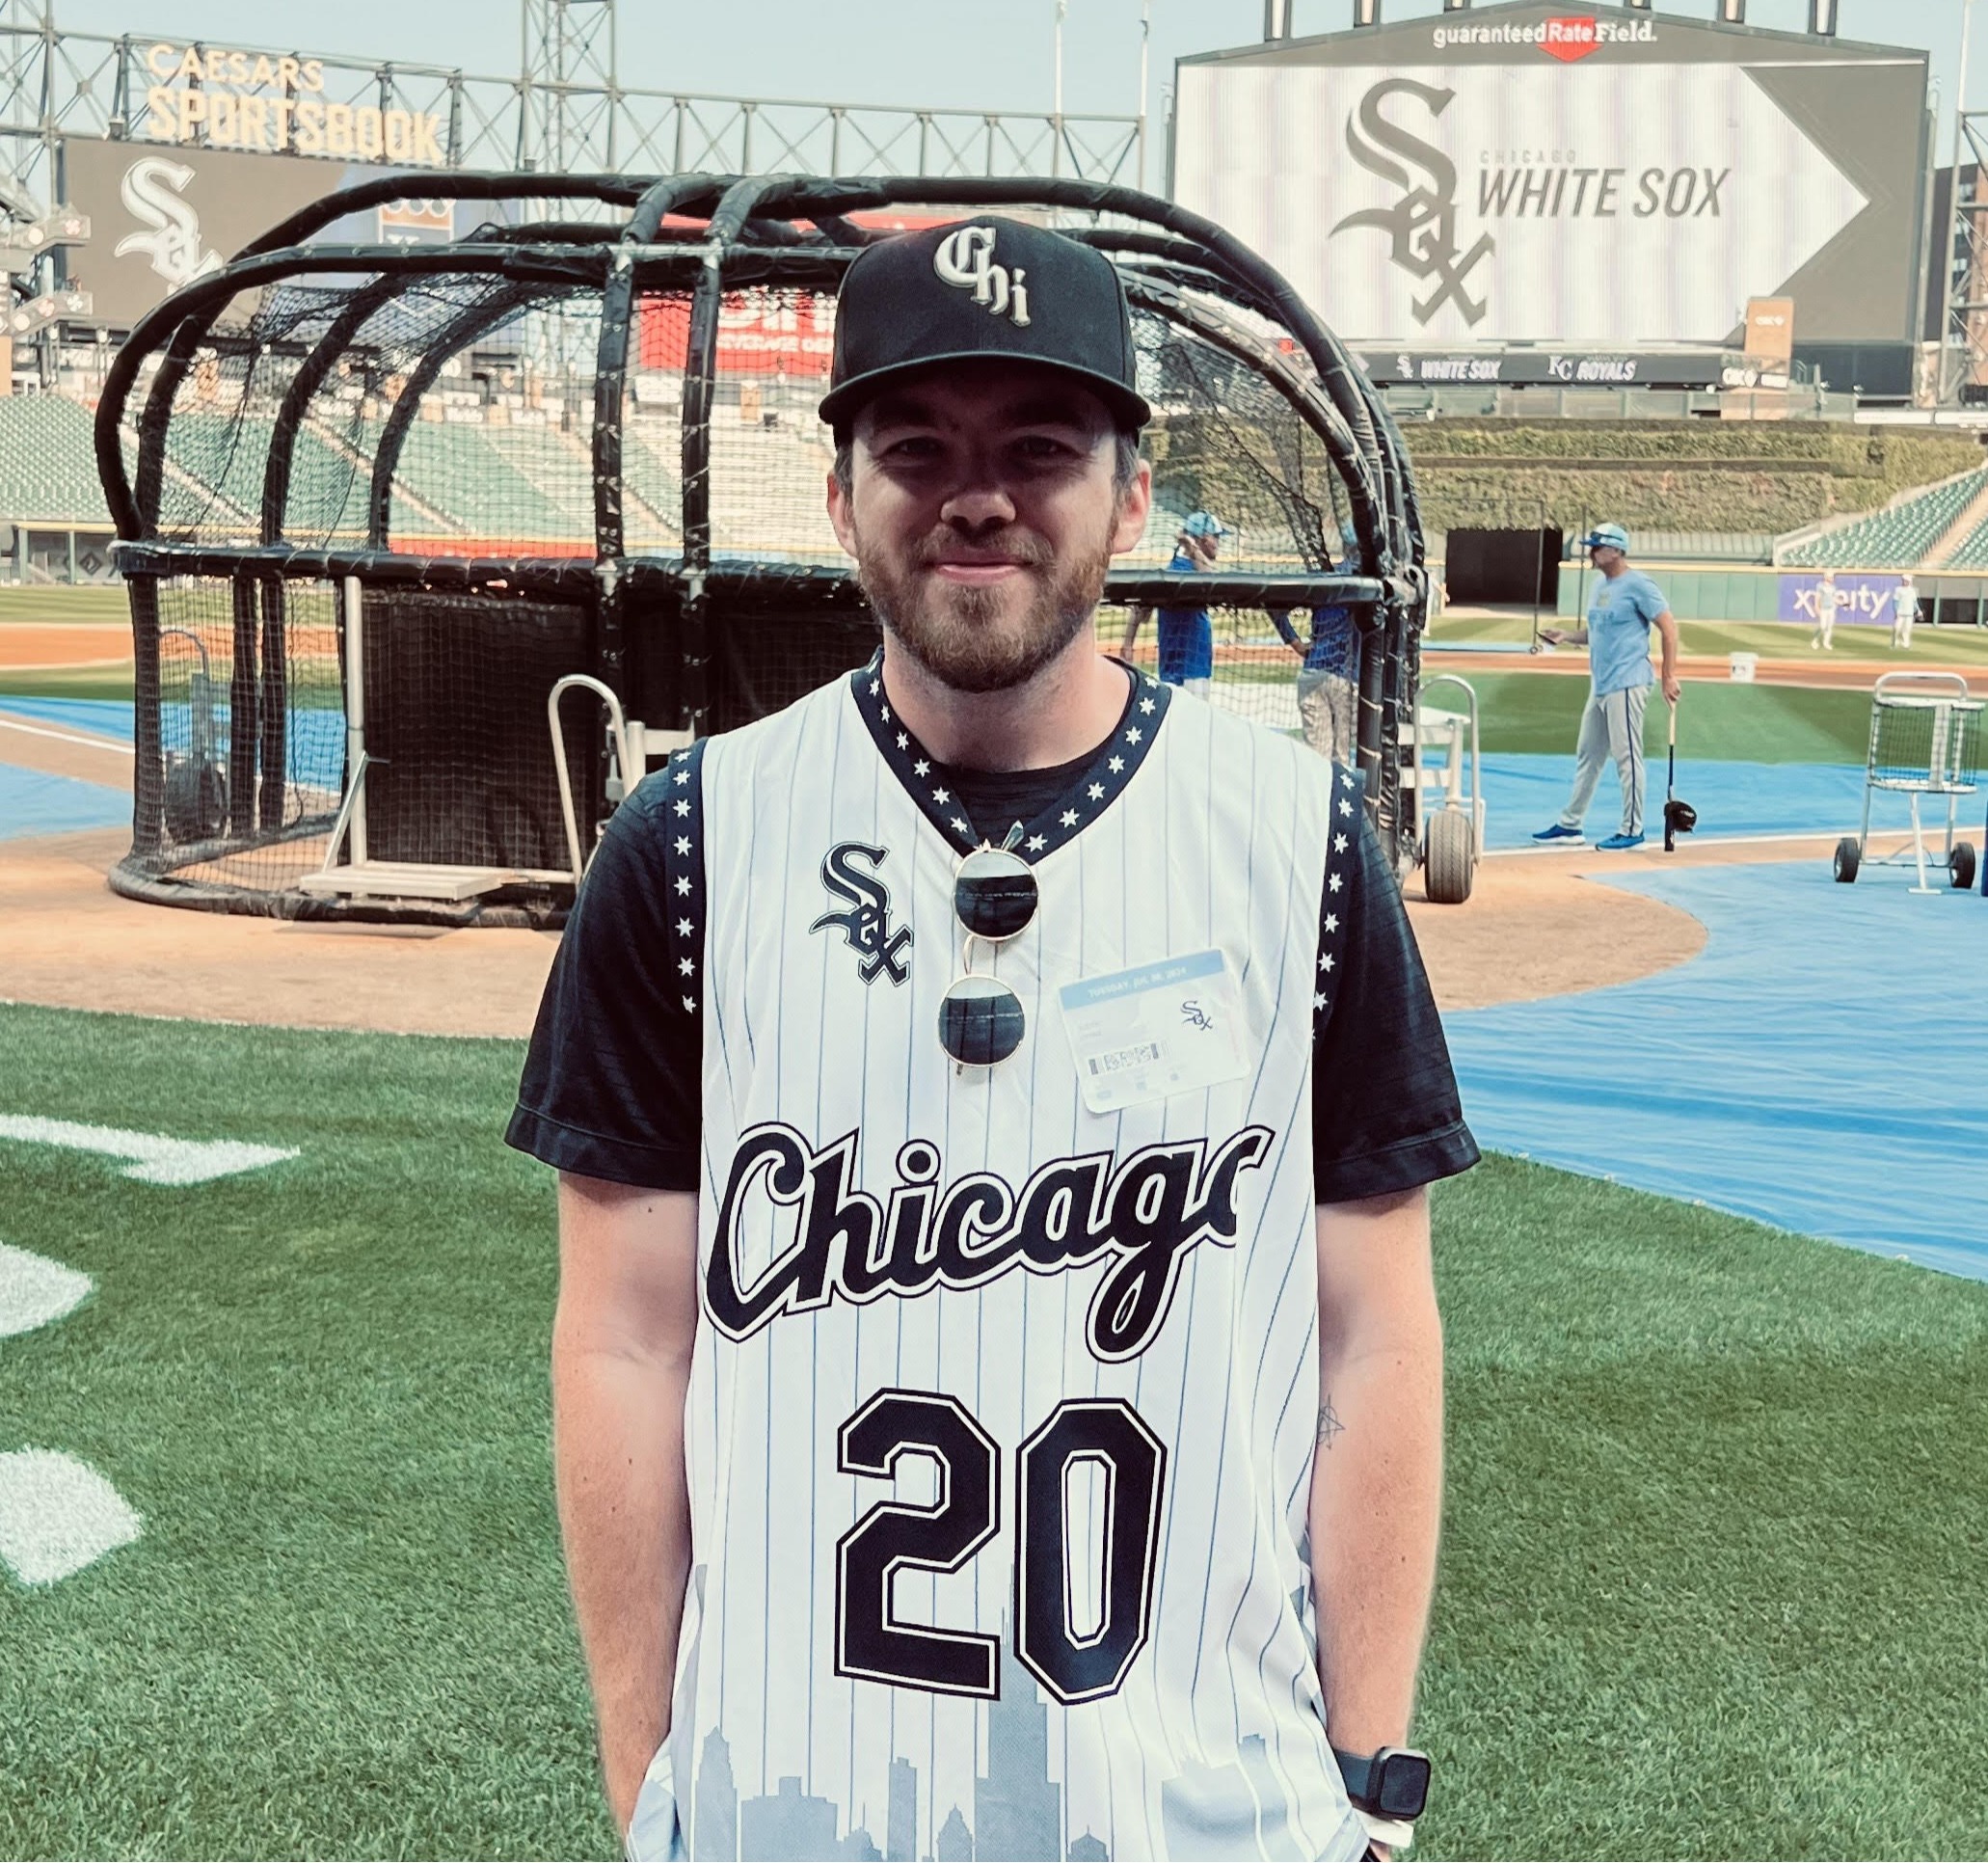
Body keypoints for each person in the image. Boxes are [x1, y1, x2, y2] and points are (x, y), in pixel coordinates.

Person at [507, 215, 1478, 1863]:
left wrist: (1370, 1768)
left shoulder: (1296, 841)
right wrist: (645, 1766)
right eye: (916, 448)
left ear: (1131, 497)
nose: (977, 496)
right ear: (839, 498)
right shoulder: (687, 847)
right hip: (791, 1814)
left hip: (1207, 1817)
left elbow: (1370, 1326)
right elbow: (624, 1338)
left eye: (1038, 448)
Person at [1532, 522, 1681, 850]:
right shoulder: (1600, 585)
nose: (1592, 553)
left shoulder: (1639, 585)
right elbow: (1597, 632)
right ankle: (1571, 825)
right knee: (1589, 755)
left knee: (1627, 758)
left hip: (1627, 682)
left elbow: (1669, 629)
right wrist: (1566, 636)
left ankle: (1633, 829)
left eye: (1597, 548)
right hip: (1601, 684)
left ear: (1616, 550)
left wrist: (1669, 675)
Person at [1272, 525, 1361, 766]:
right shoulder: (1367, 580)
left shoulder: (1324, 577)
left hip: (1313, 672)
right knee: (1341, 761)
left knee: (1316, 761)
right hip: (1346, 678)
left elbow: (1275, 608)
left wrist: (1297, 644)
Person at [1119, 509, 1226, 692]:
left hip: (1174, 668)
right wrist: (1192, 548)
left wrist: (1128, 643)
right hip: (1191, 672)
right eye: (1215, 537)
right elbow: (1212, 580)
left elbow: (1141, 613)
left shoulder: (1175, 570)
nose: (1218, 543)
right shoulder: (1185, 572)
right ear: (1200, 539)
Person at [1811, 567, 1839, 651]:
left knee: (1829, 627)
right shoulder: (1820, 586)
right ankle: (1814, 640)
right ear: (1826, 577)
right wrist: (1816, 607)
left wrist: (1844, 603)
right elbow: (1817, 597)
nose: (1832, 579)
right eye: (1831, 577)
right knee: (1823, 626)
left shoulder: (1833, 587)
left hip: (1831, 608)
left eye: (1833, 577)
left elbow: (1834, 598)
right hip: (1823, 608)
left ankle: (1826, 642)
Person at [1892, 573, 1918, 651]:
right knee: (1897, 628)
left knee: (1907, 629)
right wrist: (1896, 611)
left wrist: (1918, 611)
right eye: (1903, 580)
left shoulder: (1912, 591)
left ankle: (1906, 644)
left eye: (1906, 581)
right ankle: (1894, 642)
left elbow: (1914, 602)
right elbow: (1895, 601)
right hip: (1900, 613)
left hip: (1909, 613)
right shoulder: (1898, 589)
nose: (1904, 582)